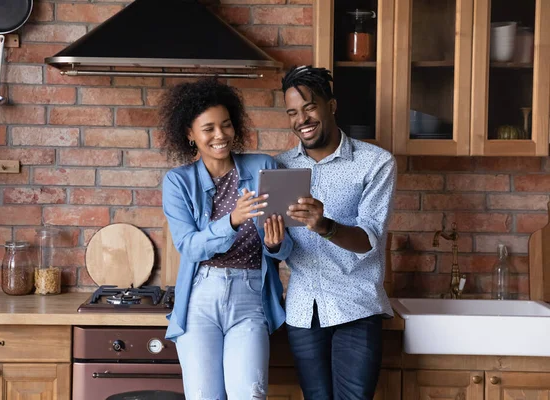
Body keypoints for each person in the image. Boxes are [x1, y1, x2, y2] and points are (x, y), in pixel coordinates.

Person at [160, 77, 292, 400]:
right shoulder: (178, 182)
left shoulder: (264, 167)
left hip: (251, 297)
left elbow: (287, 246)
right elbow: (189, 246)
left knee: (250, 393)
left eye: (226, 125)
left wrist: (276, 244)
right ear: (190, 134)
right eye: (208, 129)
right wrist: (232, 221)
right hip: (200, 298)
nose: (220, 136)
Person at [275, 65, 397, 399]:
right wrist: (272, 242)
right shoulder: (279, 167)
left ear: (331, 105)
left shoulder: (375, 162)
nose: (302, 119)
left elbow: (369, 241)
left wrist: (324, 225)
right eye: (292, 112)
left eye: (310, 107)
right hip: (303, 310)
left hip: (356, 307)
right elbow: (278, 246)